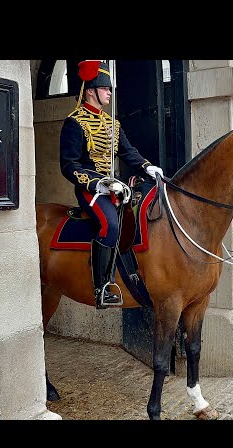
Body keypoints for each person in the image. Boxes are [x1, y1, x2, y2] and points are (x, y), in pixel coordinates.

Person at [60, 60, 163, 309]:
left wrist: (147, 166)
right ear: (91, 91)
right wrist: (98, 184)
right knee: (110, 225)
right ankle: (102, 287)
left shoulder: (112, 124)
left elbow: (128, 152)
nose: (110, 92)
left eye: (109, 89)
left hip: (115, 189)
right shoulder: (75, 123)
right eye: (105, 88)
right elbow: (69, 165)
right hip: (91, 191)